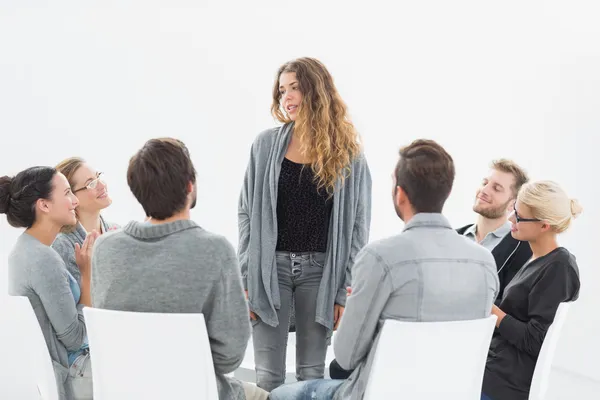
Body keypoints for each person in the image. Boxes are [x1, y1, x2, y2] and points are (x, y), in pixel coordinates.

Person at [269, 139, 500, 400]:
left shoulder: (380, 258)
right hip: (450, 394)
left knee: (278, 395)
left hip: (381, 394)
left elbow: (345, 357)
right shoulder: (484, 263)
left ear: (400, 194)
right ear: (446, 192)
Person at [91, 138, 268, 400]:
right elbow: (230, 357)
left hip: (127, 391)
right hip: (196, 391)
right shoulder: (215, 250)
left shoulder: (104, 249)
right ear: (189, 186)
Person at [238, 57, 372, 391]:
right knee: (267, 377)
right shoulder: (265, 145)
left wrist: (344, 289)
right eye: (282, 90)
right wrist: (247, 273)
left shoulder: (348, 153)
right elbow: (245, 213)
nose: (287, 97)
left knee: (311, 377)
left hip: (320, 273)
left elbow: (358, 226)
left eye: (295, 87)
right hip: (270, 271)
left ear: (316, 90)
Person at [1, 167, 98, 400]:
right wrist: (87, 273)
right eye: (67, 193)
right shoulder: (43, 258)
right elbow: (76, 338)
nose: (74, 200)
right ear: (44, 205)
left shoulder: (23, 250)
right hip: (75, 374)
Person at [481, 181, 582, 400]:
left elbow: (535, 339)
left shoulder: (559, 267)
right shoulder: (536, 258)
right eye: (514, 211)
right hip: (492, 366)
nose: (511, 220)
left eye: (519, 216)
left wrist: (491, 310)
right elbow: (513, 309)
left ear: (544, 225)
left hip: (503, 383)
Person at [457, 159, 531, 303]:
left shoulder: (524, 248)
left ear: (513, 204)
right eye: (485, 183)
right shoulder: (453, 236)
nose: (484, 191)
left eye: (496, 188)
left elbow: (511, 305)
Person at [52, 157, 118, 286]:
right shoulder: (63, 245)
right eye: (91, 183)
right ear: (70, 197)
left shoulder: (117, 232)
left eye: (98, 176)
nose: (102, 185)